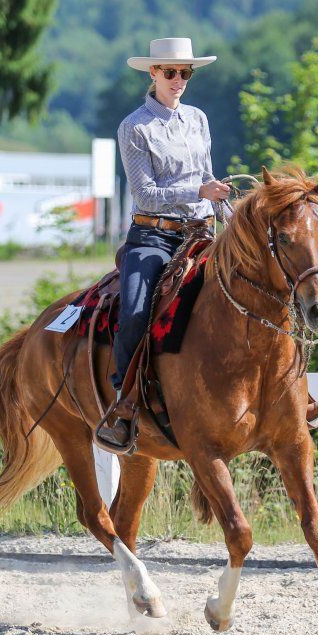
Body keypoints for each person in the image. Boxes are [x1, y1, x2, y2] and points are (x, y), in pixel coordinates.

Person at [97, 37, 230, 449]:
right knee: (136, 309)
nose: (178, 80)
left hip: (202, 233)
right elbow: (145, 194)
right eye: (170, 72)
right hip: (154, 235)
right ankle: (124, 402)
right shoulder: (134, 126)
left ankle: (289, 394)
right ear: (152, 73)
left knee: (263, 286)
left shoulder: (198, 119)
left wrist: (232, 217)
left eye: (185, 73)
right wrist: (198, 194)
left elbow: (208, 177)